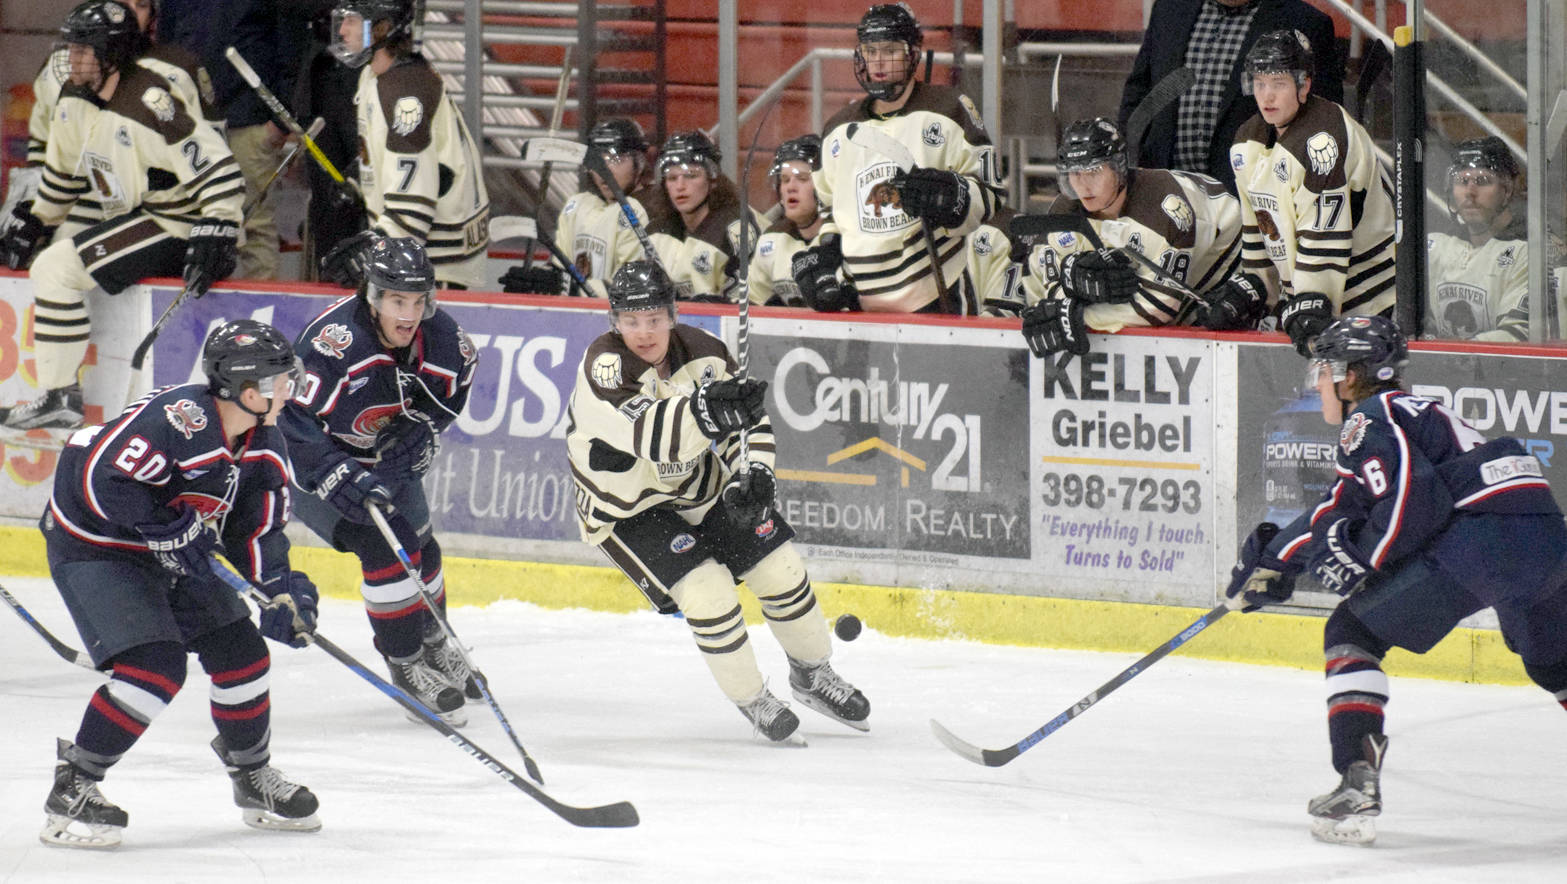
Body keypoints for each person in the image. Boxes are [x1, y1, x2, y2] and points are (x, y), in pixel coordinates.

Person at [1221, 314, 1567, 846]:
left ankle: (1356, 783)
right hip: (1544, 536)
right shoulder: (1419, 412)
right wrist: (1274, 561)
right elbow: (1342, 505)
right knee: (1556, 667)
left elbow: (1410, 500)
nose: (1318, 384)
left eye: (1323, 372)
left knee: (1352, 632)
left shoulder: (1370, 419)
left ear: (1350, 374)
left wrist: (1365, 561)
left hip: (1483, 540)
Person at [39, 320, 322, 849]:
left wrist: (281, 589)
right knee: (154, 669)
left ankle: (252, 777)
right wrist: (164, 526)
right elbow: (99, 476)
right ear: (248, 390)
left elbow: (256, 530)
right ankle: (75, 785)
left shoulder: (264, 443)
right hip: (98, 548)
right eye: (281, 381)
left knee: (243, 654)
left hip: (176, 547)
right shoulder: (178, 419)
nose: (291, 389)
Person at [565, 260, 870, 742]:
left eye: (652, 319)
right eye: (630, 320)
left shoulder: (705, 353)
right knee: (707, 590)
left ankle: (812, 674)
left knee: (780, 566)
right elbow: (651, 435)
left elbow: (745, 426)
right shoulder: (603, 367)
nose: (642, 333)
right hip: (627, 508)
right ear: (614, 322)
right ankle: (754, 700)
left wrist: (755, 473)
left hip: (695, 485)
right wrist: (705, 411)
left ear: (671, 315)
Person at [0, 0, 243, 433]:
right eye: (69, 48)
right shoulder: (74, 99)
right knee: (52, 260)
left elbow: (218, 167)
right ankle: (58, 394)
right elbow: (63, 175)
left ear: (112, 54)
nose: (70, 60)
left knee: (57, 268)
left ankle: (59, 395)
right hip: (143, 215)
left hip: (180, 221)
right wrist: (38, 219)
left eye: (83, 50)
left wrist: (220, 226)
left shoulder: (151, 100)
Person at [282, 235, 479, 725]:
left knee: (423, 548)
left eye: (417, 301)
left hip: (380, 458)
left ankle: (436, 643)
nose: (408, 314)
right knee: (384, 547)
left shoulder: (450, 344)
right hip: (310, 463)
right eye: (396, 301)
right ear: (372, 297)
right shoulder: (333, 344)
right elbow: (290, 419)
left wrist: (421, 433)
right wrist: (332, 471)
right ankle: (406, 663)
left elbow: (447, 401)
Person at [800, 2, 1002, 314]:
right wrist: (824, 257)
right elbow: (832, 213)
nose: (879, 61)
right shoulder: (837, 129)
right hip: (860, 304)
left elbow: (992, 193)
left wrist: (951, 197)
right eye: (871, 51)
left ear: (912, 54)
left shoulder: (949, 109)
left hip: (934, 294)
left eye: (890, 50)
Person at [4, 0, 223, 258]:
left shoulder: (179, 69)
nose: (127, 14)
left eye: (140, 5)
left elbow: (212, 148)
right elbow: (42, 141)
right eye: (120, 3)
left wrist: (215, 218)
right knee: (48, 254)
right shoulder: (61, 67)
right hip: (78, 203)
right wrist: (35, 212)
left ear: (153, 16)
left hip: (154, 210)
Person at [1016, 117, 1251, 358]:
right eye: (1074, 174)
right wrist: (1069, 287)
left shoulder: (1165, 208)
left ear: (1118, 168)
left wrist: (1079, 316)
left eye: (1094, 172)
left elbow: (1158, 307)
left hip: (1229, 258)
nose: (1083, 186)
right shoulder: (1065, 210)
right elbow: (1041, 284)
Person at [1230, 29, 1396, 357]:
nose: (1267, 97)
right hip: (1306, 299)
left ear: (1304, 85)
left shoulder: (1324, 138)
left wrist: (1309, 304)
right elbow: (1259, 230)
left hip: (1371, 301)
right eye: (1260, 83)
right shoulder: (1247, 139)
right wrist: (1256, 290)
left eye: (1278, 84)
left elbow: (1324, 244)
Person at [320, 0, 489, 290]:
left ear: (382, 28)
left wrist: (375, 247)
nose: (342, 30)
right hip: (417, 252)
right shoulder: (372, 76)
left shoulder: (405, 93)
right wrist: (358, 179)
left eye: (352, 21)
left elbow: (415, 204)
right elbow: (382, 154)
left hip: (440, 266)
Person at [1119, 0, 1343, 194]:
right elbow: (1139, 92)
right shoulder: (1169, 9)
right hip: (1166, 193)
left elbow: (1322, 121)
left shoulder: (1305, 23)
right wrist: (1128, 166)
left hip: (1255, 205)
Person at [158, 0, 311, 280]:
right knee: (191, 223)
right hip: (190, 125)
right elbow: (165, 47)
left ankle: (261, 318)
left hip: (248, 121)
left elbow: (292, 47)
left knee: (255, 228)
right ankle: (200, 313)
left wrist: (281, 120)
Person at [1426, 136, 1530, 342]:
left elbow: (1518, 336)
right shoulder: (1437, 246)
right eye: (1462, 181)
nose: (1470, 192)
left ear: (1507, 190)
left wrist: (1451, 360)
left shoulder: (1528, 250)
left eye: (1482, 181)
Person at [644, 130, 759, 301]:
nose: (680, 186)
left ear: (712, 180)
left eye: (691, 176)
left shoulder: (735, 227)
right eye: (672, 178)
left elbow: (749, 304)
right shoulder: (657, 232)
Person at [551, 117, 654, 297]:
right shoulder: (577, 205)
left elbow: (630, 291)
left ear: (640, 163)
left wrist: (569, 288)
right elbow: (560, 265)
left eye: (616, 159)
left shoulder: (650, 211)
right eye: (598, 160)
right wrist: (545, 281)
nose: (605, 170)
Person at [746, 134, 823, 307]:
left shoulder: (844, 240)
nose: (790, 187)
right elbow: (751, 301)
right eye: (784, 180)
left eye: (802, 179)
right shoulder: (772, 239)